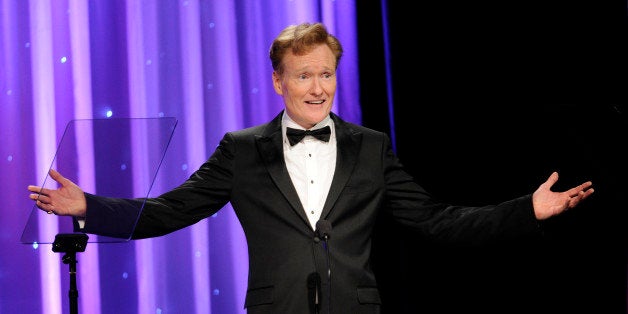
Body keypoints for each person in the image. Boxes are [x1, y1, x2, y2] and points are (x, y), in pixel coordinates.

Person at [28, 22, 594, 314]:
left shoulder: (370, 147)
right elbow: (174, 209)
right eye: (304, 75)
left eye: (326, 75)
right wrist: (90, 207)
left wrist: (528, 211)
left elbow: (435, 221)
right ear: (278, 80)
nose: (317, 88)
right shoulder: (242, 149)